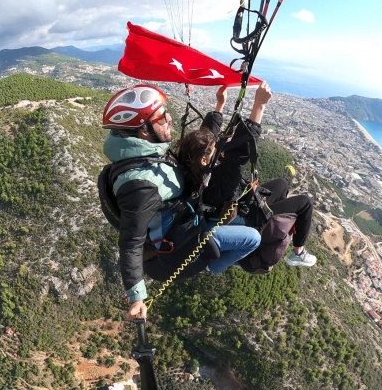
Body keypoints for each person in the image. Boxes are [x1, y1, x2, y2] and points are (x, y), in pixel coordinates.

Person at [100, 84, 261, 321]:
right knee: (253, 237)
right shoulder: (141, 184)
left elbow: (200, 145)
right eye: (162, 117)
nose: (169, 119)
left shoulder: (146, 154)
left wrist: (219, 108)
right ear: (144, 130)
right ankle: (212, 266)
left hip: (178, 231)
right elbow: (130, 242)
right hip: (173, 255)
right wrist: (137, 297)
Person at [176, 82, 317, 269]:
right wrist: (259, 105)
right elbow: (240, 153)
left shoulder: (190, 163)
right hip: (243, 216)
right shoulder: (219, 182)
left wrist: (219, 106)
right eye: (213, 150)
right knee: (305, 203)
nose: (217, 150)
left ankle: (274, 230)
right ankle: (297, 253)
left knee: (282, 184)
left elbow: (206, 136)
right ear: (204, 159)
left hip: (235, 203)